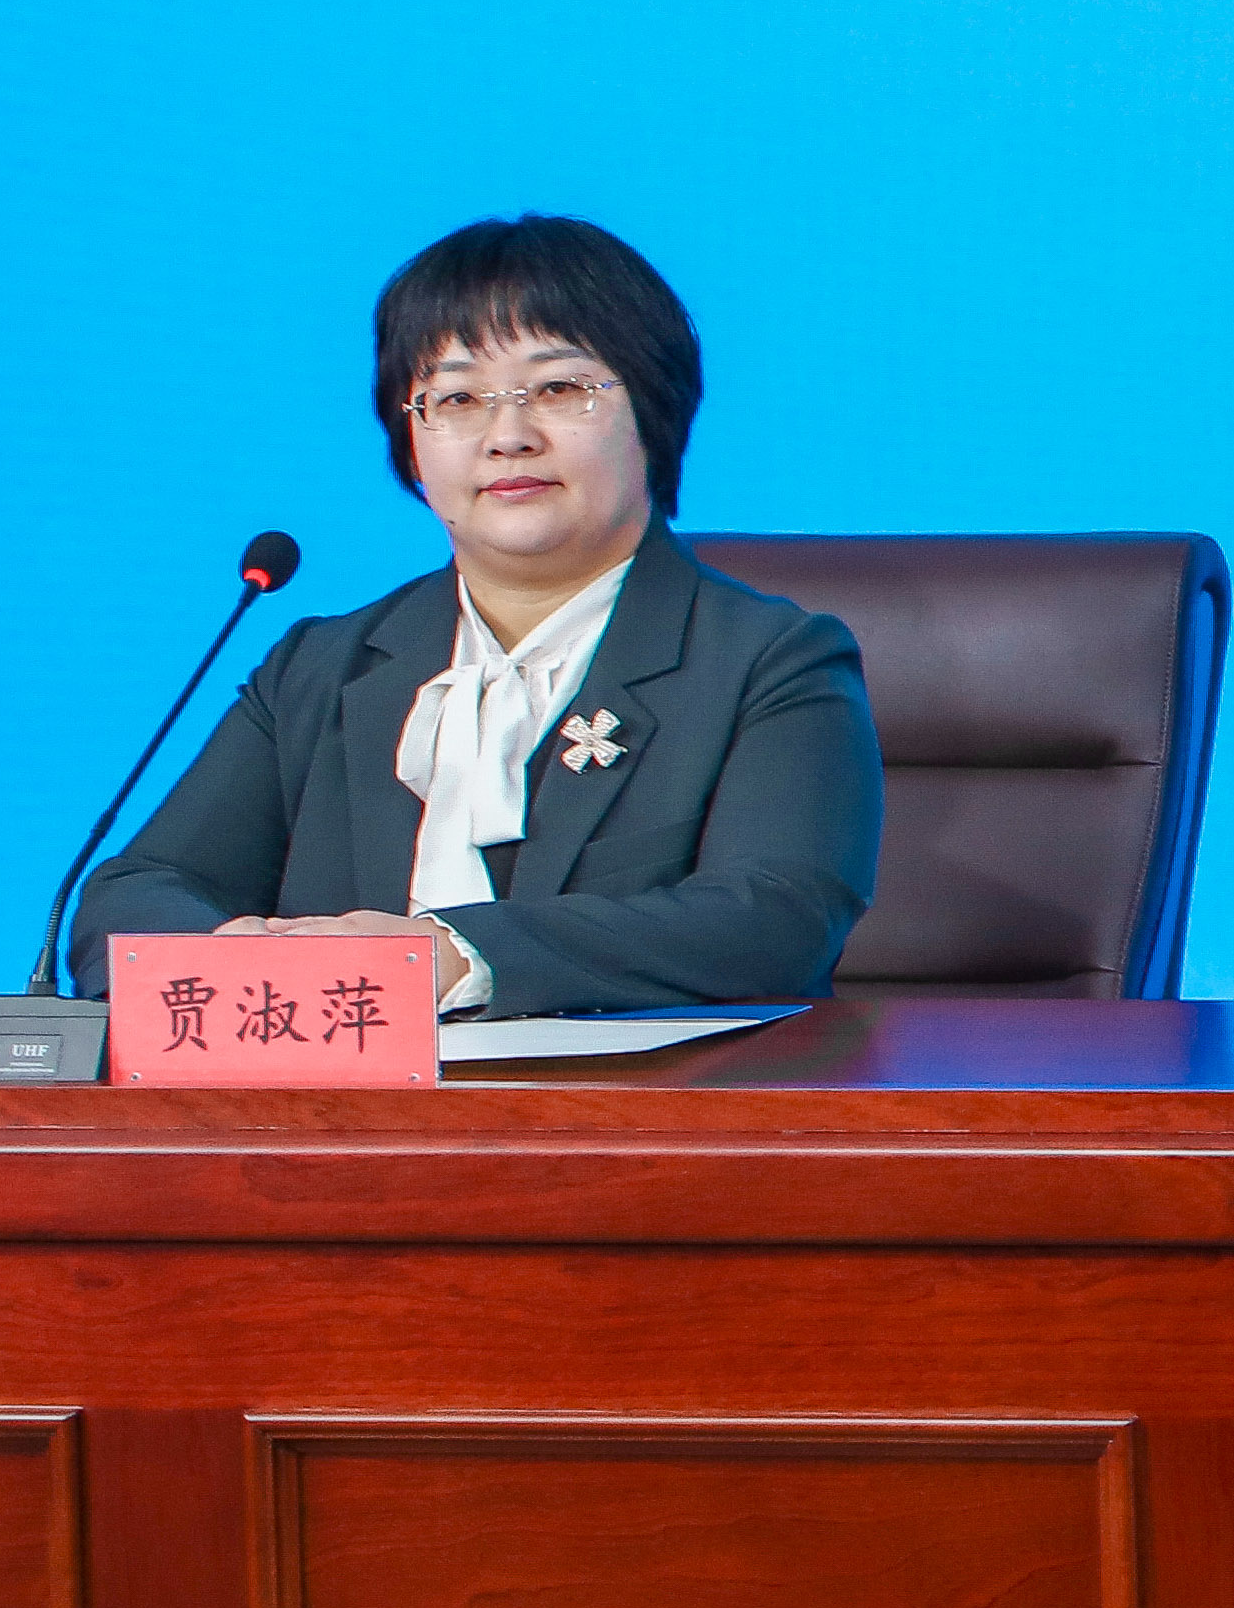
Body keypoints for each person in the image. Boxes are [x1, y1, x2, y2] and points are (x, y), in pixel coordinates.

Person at [72, 215, 880, 1015]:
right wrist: (239, 962)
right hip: (334, 1093)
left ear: (654, 410)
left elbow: (776, 917)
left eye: (559, 389)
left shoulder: (769, 660)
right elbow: (133, 895)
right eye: (457, 397)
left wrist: (452, 958)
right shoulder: (322, 667)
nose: (508, 436)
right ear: (411, 441)